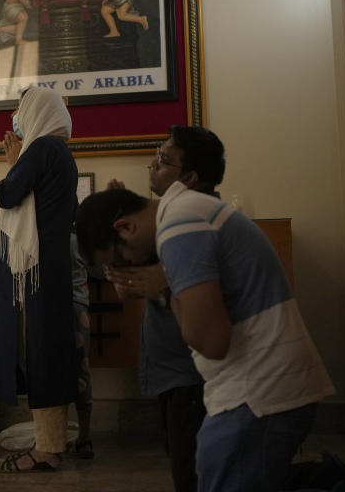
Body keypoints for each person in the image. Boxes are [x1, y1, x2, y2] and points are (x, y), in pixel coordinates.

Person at [75, 181, 336, 492]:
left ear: (126, 227)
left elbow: (211, 341)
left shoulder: (180, 227)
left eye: (119, 260)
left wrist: (163, 289)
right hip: (262, 387)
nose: (126, 268)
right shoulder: (185, 211)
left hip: (258, 391)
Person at [104, 126, 223, 491]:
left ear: (189, 178)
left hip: (192, 371)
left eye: (164, 160)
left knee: (194, 471)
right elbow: (127, 290)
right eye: (156, 155)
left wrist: (159, 286)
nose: (152, 165)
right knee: (183, 459)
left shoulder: (190, 222)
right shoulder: (164, 220)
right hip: (170, 372)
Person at [0, 86, 78, 472]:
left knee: (43, 351)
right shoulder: (63, 153)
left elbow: (7, 194)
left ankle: (48, 450)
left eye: (21, 110)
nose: (16, 118)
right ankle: (51, 442)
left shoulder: (41, 150)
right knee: (50, 351)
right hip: (52, 266)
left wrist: (13, 162)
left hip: (38, 269)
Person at [68, 232, 93, 459]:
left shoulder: (46, 235)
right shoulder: (78, 238)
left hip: (54, 307)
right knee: (82, 373)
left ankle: (55, 433)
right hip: (78, 305)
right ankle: (84, 436)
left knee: (55, 372)